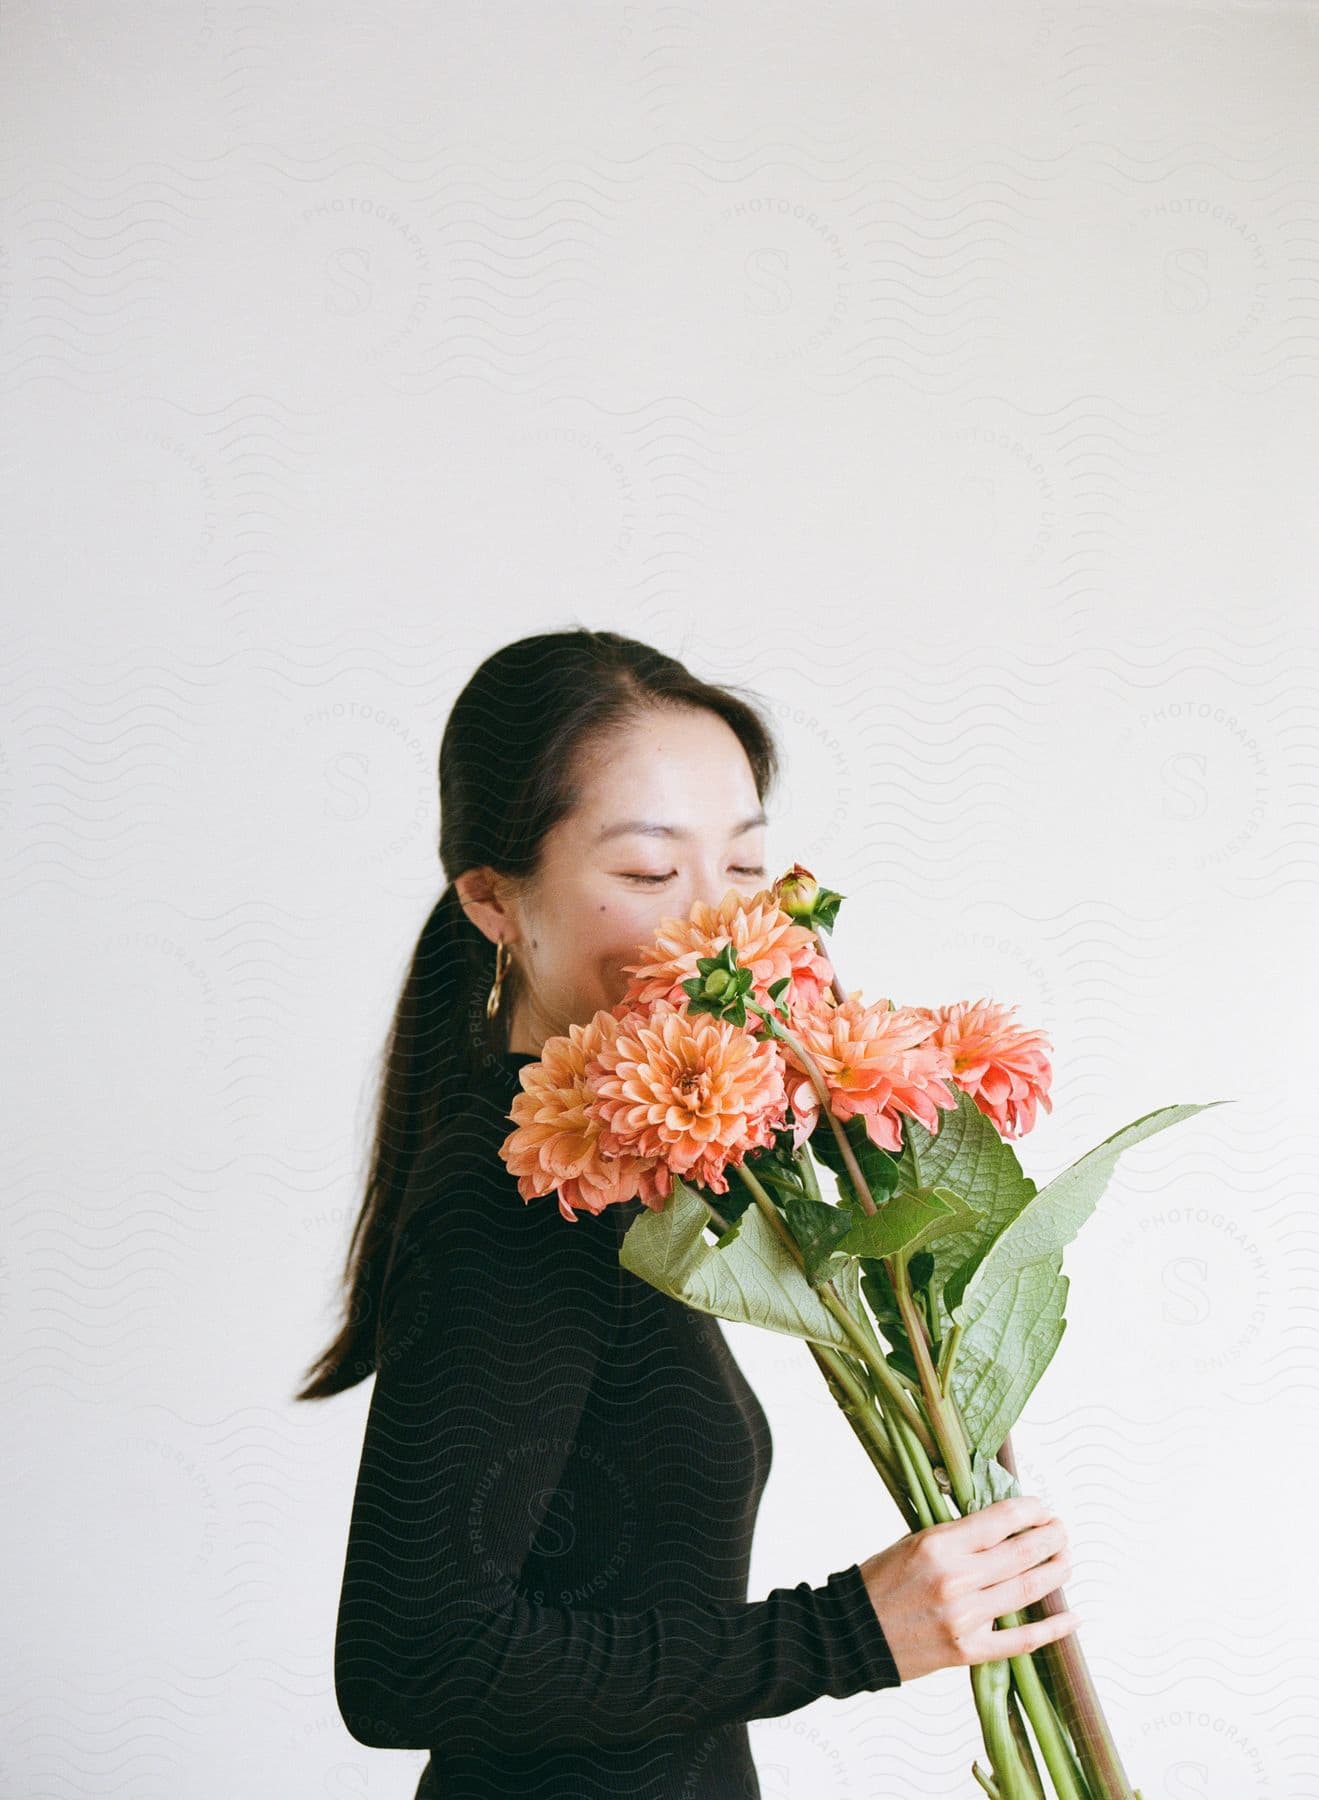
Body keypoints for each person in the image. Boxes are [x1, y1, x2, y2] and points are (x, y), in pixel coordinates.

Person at [296, 629, 1078, 1799]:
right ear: (493, 901)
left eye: (748, 872)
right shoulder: (515, 1199)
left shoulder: (625, 1169)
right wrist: (851, 1633)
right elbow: (413, 1664)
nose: (719, 933)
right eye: (651, 876)